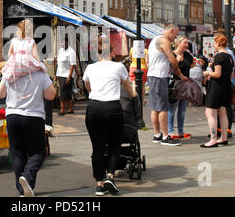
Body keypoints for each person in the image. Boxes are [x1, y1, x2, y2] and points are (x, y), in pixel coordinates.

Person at [82, 37, 136, 196]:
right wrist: (137, 95)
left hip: (94, 108)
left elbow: (88, 87)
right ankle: (110, 176)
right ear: (112, 53)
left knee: (97, 148)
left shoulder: (90, 68)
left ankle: (99, 185)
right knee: (114, 145)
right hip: (113, 107)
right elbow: (129, 89)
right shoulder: (119, 67)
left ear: (97, 54)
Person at [0, 58, 57, 197]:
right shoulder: (40, 73)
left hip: (12, 115)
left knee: (18, 154)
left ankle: (23, 190)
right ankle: (28, 177)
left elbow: (0, 94)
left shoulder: (9, 72)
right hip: (34, 116)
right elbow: (51, 95)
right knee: (38, 152)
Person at [147, 24, 189, 147]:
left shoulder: (154, 40)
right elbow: (172, 60)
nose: (174, 39)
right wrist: (180, 75)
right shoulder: (164, 41)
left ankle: (157, 134)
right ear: (171, 31)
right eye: (175, 35)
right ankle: (165, 136)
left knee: (155, 108)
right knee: (163, 108)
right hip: (159, 77)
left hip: (153, 76)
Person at [201, 34, 234, 148]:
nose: (213, 45)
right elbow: (231, 74)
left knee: (209, 112)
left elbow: (217, 74)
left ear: (218, 44)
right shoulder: (229, 57)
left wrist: (207, 73)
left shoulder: (219, 57)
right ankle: (223, 138)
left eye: (214, 43)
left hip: (216, 87)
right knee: (222, 111)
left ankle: (213, 139)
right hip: (226, 87)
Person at [2, 19, 47, 84]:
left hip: (16, 64)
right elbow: (35, 56)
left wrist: (14, 59)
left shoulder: (14, 41)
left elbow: (9, 54)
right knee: (41, 68)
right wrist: (39, 62)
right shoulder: (31, 41)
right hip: (27, 64)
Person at [167, 36, 194, 140]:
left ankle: (181, 131)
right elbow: (169, 70)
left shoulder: (187, 55)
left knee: (182, 109)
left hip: (185, 84)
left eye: (187, 43)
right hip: (175, 84)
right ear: (178, 43)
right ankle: (170, 131)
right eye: (184, 43)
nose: (187, 45)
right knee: (172, 108)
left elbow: (191, 65)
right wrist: (176, 62)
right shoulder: (172, 54)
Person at [55, 37, 77, 115]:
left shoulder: (71, 52)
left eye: (64, 42)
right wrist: (56, 75)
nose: (62, 44)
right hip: (60, 74)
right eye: (61, 43)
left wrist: (69, 76)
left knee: (62, 92)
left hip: (67, 75)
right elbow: (59, 64)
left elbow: (72, 65)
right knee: (66, 93)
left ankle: (62, 110)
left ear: (67, 42)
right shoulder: (61, 50)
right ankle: (70, 109)